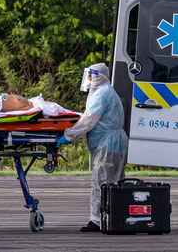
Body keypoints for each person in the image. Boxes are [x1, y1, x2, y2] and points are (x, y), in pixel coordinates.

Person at [57, 63, 128, 232]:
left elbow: (88, 120)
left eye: (91, 75)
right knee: (113, 184)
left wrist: (69, 134)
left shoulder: (103, 93)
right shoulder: (102, 91)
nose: (88, 79)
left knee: (101, 182)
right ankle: (114, 218)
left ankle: (97, 221)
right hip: (112, 144)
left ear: (99, 76)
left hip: (108, 145)